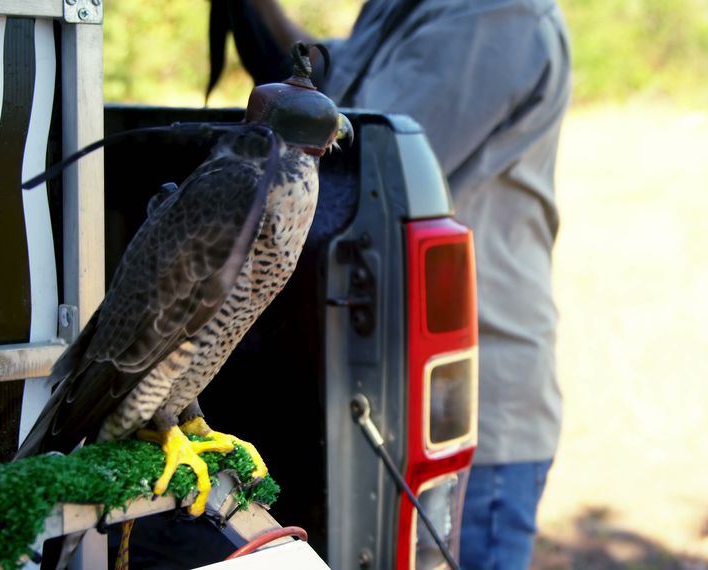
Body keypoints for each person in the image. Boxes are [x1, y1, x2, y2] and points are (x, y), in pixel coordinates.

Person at [243, 0, 571, 567]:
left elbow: (355, 149)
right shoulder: (407, 6)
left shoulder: (496, 13)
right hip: (384, 382)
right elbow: (326, 75)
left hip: (467, 413)